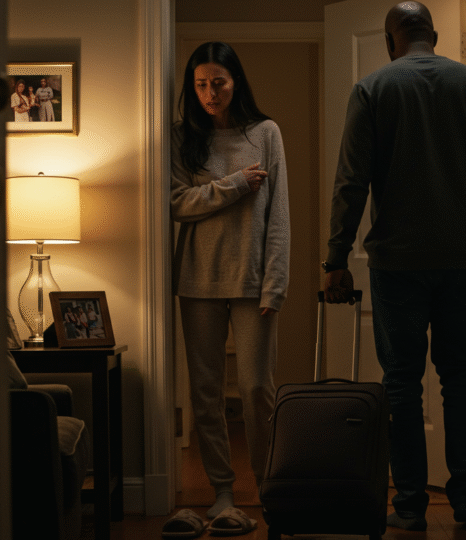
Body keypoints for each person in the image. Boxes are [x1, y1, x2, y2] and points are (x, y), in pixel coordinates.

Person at [322, 1, 466, 531]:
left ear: (392, 40)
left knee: (402, 382)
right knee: (463, 375)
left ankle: (411, 506)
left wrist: (335, 257)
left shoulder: (373, 89)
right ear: (434, 35)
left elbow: (351, 181)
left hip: (398, 262)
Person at [169, 41, 290, 529]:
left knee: (258, 387)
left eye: (218, 82)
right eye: (200, 84)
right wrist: (236, 183)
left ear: (235, 81)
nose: (209, 92)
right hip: (196, 280)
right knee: (206, 390)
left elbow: (277, 214)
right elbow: (177, 203)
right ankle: (221, 491)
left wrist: (275, 283)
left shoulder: (265, 133)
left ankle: (267, 488)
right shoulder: (181, 138)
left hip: (252, 279)